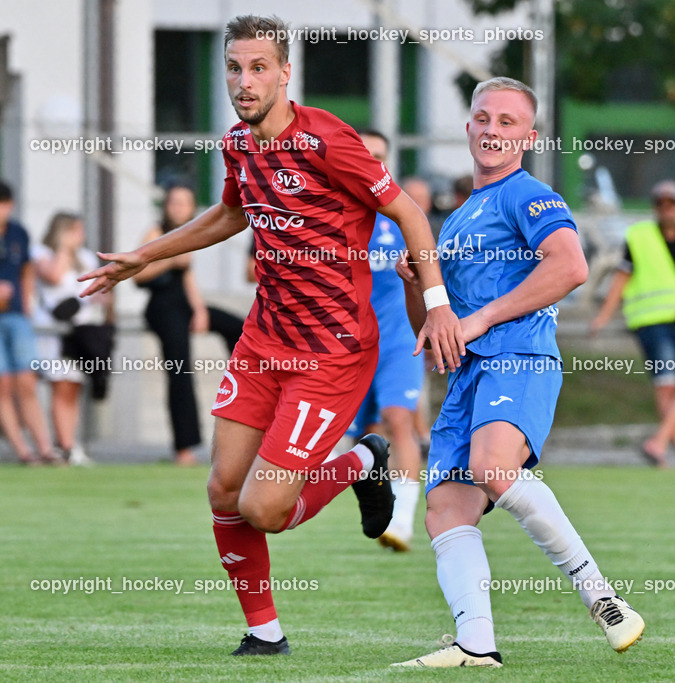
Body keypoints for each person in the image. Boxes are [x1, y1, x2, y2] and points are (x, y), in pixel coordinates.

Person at [80, 14, 462, 656]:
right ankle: (264, 632)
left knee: (264, 509)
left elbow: (409, 212)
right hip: (264, 342)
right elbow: (230, 213)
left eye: (258, 67)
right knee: (223, 488)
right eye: (234, 67)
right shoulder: (238, 143)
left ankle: (361, 461)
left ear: (286, 72)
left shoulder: (329, 140)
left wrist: (438, 301)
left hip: (331, 352)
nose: (244, 80)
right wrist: (147, 255)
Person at [391, 77, 644, 669]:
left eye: (508, 123)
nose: (493, 131)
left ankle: (601, 597)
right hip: (465, 379)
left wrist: (479, 321)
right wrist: (415, 286)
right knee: (445, 510)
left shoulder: (530, 196)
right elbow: (434, 334)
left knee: (493, 467)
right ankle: (476, 645)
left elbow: (572, 265)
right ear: (470, 126)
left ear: (527, 138)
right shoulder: (454, 223)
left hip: (518, 357)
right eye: (484, 118)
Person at [590, 180, 675, 466]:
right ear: (655, 208)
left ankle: (658, 442)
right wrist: (603, 317)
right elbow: (621, 277)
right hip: (652, 321)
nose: (667, 210)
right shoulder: (639, 236)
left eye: (672, 204)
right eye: (661, 204)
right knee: (666, 387)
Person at [345, 130, 426, 552]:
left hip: (398, 342)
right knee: (368, 437)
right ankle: (382, 509)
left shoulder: (402, 216)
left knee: (400, 419)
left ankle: (404, 522)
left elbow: (430, 270)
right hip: (353, 346)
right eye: (364, 155)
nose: (371, 162)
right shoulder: (336, 217)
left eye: (378, 156)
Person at [133, 185, 245, 466]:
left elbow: (188, 279)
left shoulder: (189, 235)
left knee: (239, 327)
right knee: (180, 369)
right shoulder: (156, 232)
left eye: (185, 203)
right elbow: (138, 275)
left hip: (185, 305)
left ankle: (248, 382)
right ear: (166, 206)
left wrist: (199, 310)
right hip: (162, 307)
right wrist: (170, 260)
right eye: (174, 202)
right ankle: (184, 448)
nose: (178, 207)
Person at [33, 212, 109, 465]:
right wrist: (64, 248)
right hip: (55, 332)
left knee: (74, 387)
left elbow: (97, 289)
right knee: (61, 386)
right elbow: (54, 275)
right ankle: (63, 445)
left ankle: (69, 443)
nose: (80, 236)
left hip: (81, 331)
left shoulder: (85, 257)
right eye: (75, 231)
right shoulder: (42, 253)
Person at [0, 181, 58, 465]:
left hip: (16, 316)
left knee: (27, 380)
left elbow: (26, 271)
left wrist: (25, 305)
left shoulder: (18, 234)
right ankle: (24, 452)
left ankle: (45, 448)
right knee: (3, 384)